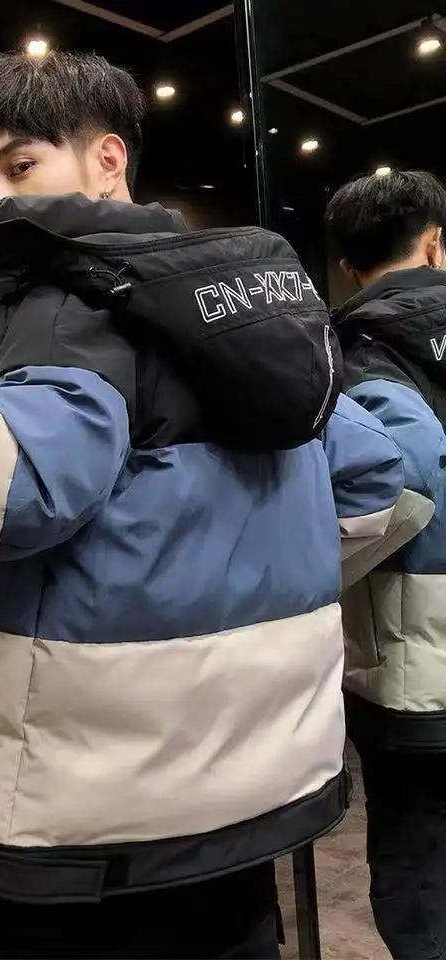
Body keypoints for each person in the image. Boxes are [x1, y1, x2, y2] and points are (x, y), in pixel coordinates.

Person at [0, 53, 409, 960]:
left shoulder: (67, 301)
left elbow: (1, 486)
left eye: (20, 165)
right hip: (246, 799)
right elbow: (374, 483)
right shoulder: (255, 317)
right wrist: (216, 591)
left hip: (79, 834)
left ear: (108, 159)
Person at [326, 170, 446, 960]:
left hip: (416, 666)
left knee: (419, 861)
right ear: (436, 246)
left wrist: (315, 573)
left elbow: (408, 472)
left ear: (347, 266)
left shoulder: (358, 352)